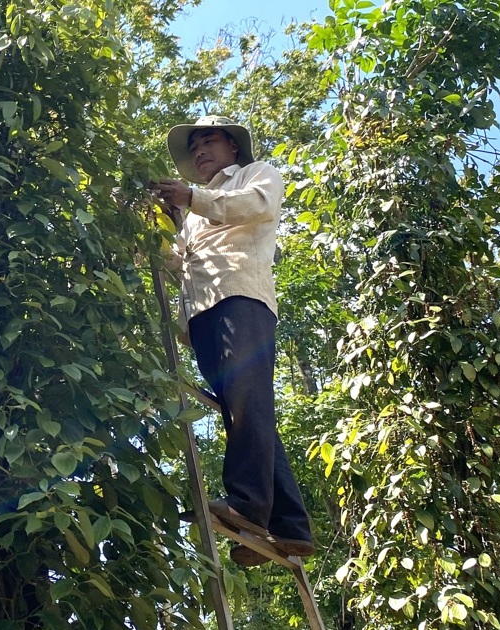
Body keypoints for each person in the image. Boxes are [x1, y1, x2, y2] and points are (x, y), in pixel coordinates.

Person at [149, 115, 314, 565]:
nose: (200, 151)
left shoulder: (255, 176)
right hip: (202, 316)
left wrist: (193, 198)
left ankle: (248, 506)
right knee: (245, 409)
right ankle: (291, 526)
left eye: (209, 141)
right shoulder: (193, 216)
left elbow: (254, 206)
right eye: (195, 146)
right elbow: (175, 263)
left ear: (233, 147)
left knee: (247, 403)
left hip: (240, 297)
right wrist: (162, 228)